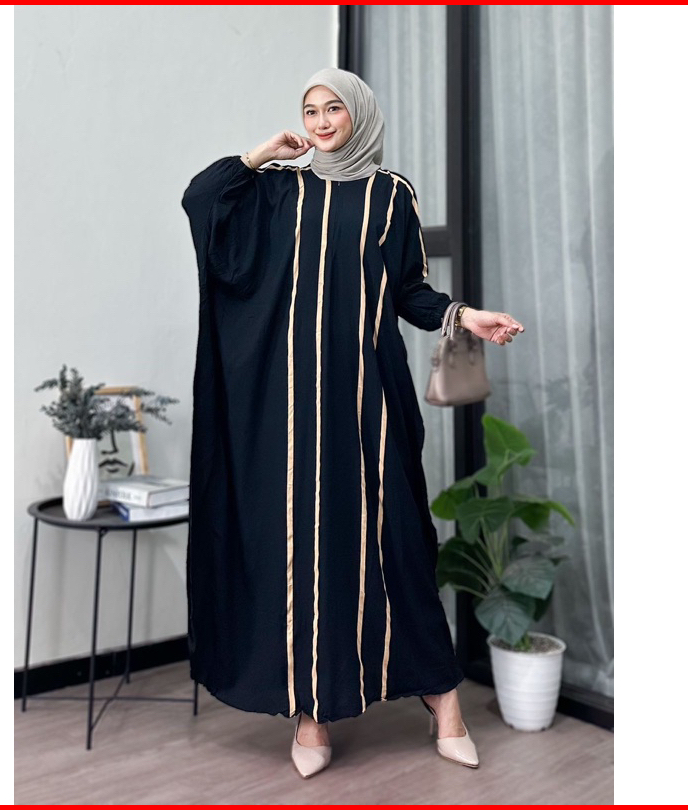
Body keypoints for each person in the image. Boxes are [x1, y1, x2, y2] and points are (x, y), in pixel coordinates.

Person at [181, 67, 524, 779]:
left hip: (371, 400)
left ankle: (444, 705)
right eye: (310, 110)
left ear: (359, 112)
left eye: (333, 108)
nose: (321, 121)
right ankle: (311, 716)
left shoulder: (390, 196)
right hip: (289, 410)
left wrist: (465, 316)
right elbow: (202, 200)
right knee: (304, 546)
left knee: (396, 543)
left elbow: (409, 293)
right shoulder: (280, 191)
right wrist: (260, 155)